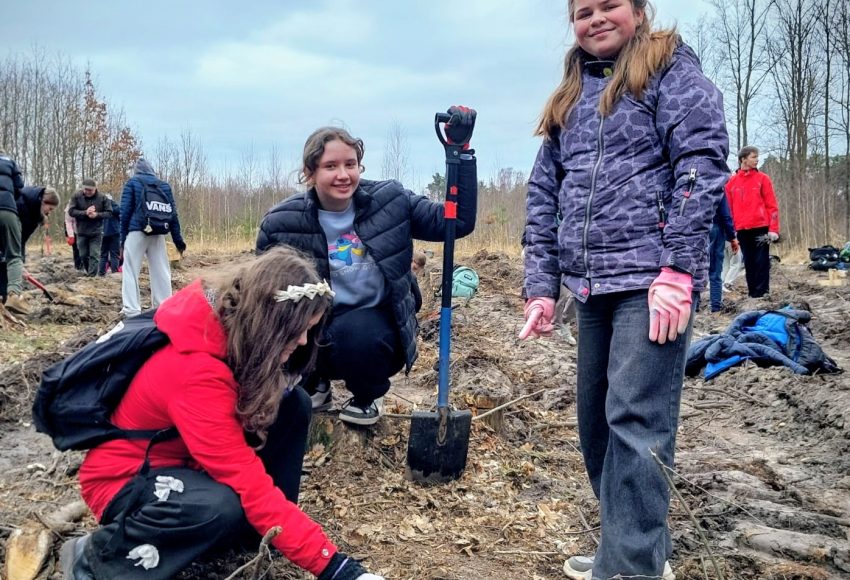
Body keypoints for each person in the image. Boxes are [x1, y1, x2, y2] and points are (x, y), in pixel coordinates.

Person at [519, 0, 728, 578]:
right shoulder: (571, 94)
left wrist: (680, 269)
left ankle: (630, 568)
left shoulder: (670, 70)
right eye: (583, 11)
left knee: (636, 423)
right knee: (597, 427)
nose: (596, 19)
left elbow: (701, 162)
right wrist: (542, 287)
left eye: (609, 4)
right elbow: (544, 193)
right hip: (591, 287)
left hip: (652, 283)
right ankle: (631, 547)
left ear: (638, 9)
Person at [60, 247, 384, 580]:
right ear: (269, 324)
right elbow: (246, 482)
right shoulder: (197, 373)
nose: (303, 341)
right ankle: (94, 561)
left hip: (185, 462)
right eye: (296, 330)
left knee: (293, 405)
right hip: (123, 480)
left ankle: (261, 534)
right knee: (218, 506)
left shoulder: (233, 329)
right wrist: (336, 568)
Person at [256, 114, 477, 426]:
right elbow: (265, 295)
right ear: (310, 173)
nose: (343, 175)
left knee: (356, 334)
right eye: (330, 166)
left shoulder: (391, 201)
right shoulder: (281, 222)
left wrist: (462, 155)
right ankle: (313, 383)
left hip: (374, 326)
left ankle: (368, 394)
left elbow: (456, 222)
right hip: (314, 323)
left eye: (350, 164)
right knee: (285, 320)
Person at [120, 158, 186, 317]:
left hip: (136, 232)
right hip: (158, 232)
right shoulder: (163, 186)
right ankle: (163, 307)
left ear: (136, 171)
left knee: (130, 270)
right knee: (161, 270)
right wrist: (178, 240)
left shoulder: (132, 183)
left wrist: (122, 240)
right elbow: (173, 215)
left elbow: (124, 213)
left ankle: (131, 310)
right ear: (152, 170)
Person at [725, 145, 780, 298]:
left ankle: (763, 293)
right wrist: (731, 232)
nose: (757, 160)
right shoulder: (731, 183)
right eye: (753, 157)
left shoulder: (763, 179)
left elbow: (772, 205)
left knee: (761, 260)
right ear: (743, 159)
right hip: (741, 229)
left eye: (757, 157)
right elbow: (728, 210)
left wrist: (773, 229)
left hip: (761, 227)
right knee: (748, 262)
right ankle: (753, 294)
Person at [0, 149, 28, 316]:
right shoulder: (9, 162)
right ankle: (14, 296)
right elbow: (19, 187)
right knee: (14, 255)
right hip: (7, 209)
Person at [69, 179, 111, 277]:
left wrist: (97, 215)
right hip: (81, 231)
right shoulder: (76, 196)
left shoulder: (102, 198)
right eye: (86, 189)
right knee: (83, 255)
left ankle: (92, 276)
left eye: (90, 190)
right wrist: (85, 213)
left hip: (96, 232)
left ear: (95, 188)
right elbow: (71, 211)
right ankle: (89, 272)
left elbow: (109, 213)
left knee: (94, 255)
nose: (87, 192)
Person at [706, 196, 738, 312]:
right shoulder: (717, 187)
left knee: (694, 271)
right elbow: (725, 215)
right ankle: (715, 306)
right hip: (715, 228)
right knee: (715, 270)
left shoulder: (688, 186)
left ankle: (695, 306)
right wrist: (732, 237)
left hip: (694, 230)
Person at [98, 194, 121, 275]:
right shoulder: (115, 206)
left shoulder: (100, 207)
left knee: (103, 254)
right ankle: (115, 273)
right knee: (114, 254)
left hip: (103, 233)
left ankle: (101, 273)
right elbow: (120, 215)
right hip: (115, 232)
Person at [64, 200, 84, 271]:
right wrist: (70, 236)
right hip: (74, 231)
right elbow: (68, 222)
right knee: (76, 250)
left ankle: (88, 266)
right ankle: (78, 267)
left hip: (86, 230)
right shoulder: (69, 209)